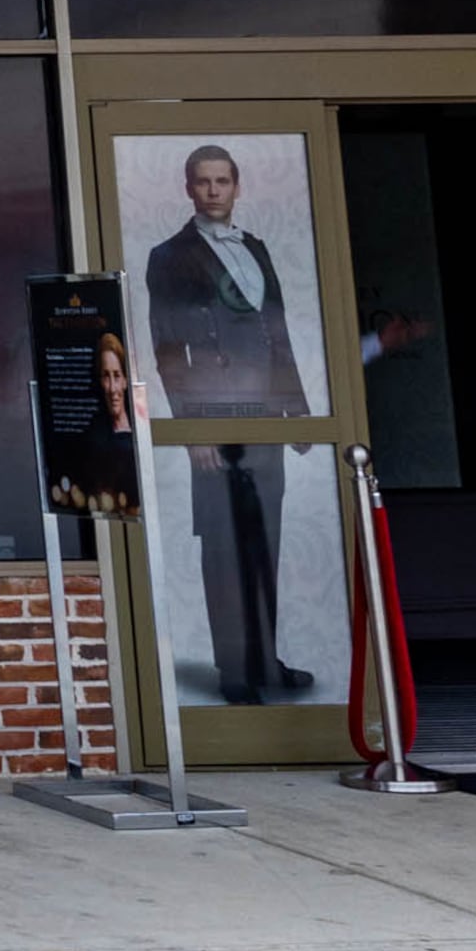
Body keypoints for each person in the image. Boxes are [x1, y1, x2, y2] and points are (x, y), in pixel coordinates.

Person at [139, 144, 318, 703]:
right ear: (188, 189)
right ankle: (235, 671)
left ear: (237, 186)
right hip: (214, 418)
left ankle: (265, 662)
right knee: (223, 545)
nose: (214, 190)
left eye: (222, 180)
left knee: (265, 540)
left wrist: (297, 412)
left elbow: (276, 334)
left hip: (265, 417)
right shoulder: (169, 256)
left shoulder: (256, 248)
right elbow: (168, 349)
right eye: (203, 181)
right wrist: (193, 430)